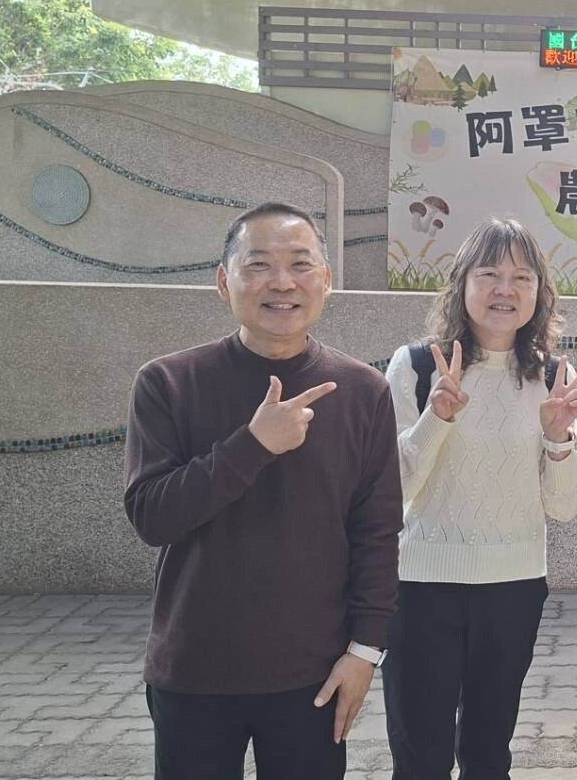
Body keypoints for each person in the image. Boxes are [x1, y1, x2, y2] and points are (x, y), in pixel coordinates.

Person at [124, 202, 401, 780]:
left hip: (313, 673)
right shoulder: (168, 383)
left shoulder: (362, 391)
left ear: (326, 280)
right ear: (223, 283)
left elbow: (376, 533)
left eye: (300, 264)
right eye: (258, 265)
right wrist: (252, 445)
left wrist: (364, 651)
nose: (282, 282)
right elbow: (152, 517)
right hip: (195, 669)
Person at [381, 218, 577, 780]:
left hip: (513, 587)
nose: (506, 289)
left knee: (488, 753)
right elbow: (392, 490)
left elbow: (564, 506)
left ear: (540, 292)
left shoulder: (553, 376)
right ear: (462, 283)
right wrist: (437, 418)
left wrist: (557, 439)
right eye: (489, 274)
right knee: (419, 756)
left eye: (522, 277)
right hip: (421, 585)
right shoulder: (418, 366)